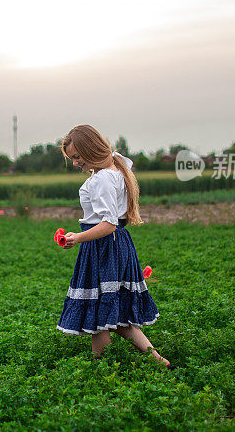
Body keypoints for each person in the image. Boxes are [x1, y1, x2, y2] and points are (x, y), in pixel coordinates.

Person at [56, 124, 173, 369]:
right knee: (117, 316)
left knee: (98, 311)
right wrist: (80, 236)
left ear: (91, 149)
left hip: (103, 247)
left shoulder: (103, 179)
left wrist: (78, 237)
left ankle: (102, 373)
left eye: (77, 157)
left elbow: (108, 224)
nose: (75, 163)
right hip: (116, 245)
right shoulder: (116, 166)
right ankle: (159, 361)